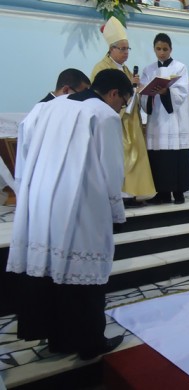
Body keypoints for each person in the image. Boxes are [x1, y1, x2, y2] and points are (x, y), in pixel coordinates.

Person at [6, 69, 132, 360]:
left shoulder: (45, 107)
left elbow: (23, 155)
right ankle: (89, 343)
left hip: (39, 203)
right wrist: (116, 212)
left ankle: (57, 339)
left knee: (49, 271)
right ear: (113, 94)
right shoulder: (104, 115)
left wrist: (27, 194)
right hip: (81, 206)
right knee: (82, 275)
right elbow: (112, 171)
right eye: (123, 102)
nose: (120, 108)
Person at [91, 16, 155, 208]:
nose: (126, 52)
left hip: (131, 121)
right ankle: (120, 193)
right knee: (121, 157)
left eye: (128, 49)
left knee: (135, 156)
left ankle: (135, 192)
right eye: (122, 48)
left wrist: (139, 90)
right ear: (111, 49)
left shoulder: (126, 69)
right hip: (115, 121)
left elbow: (131, 95)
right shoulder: (101, 68)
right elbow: (101, 96)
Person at [15, 69, 91, 193]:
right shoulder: (40, 112)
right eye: (81, 94)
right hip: (41, 183)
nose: (82, 100)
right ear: (66, 90)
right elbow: (28, 154)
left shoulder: (62, 110)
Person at [141, 33, 189, 205]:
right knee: (159, 158)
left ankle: (179, 193)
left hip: (174, 121)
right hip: (156, 120)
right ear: (154, 49)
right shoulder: (148, 70)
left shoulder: (180, 68)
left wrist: (166, 92)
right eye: (158, 49)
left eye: (165, 49)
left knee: (176, 156)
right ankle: (162, 193)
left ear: (171, 49)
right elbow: (143, 93)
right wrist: (147, 93)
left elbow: (182, 93)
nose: (161, 52)